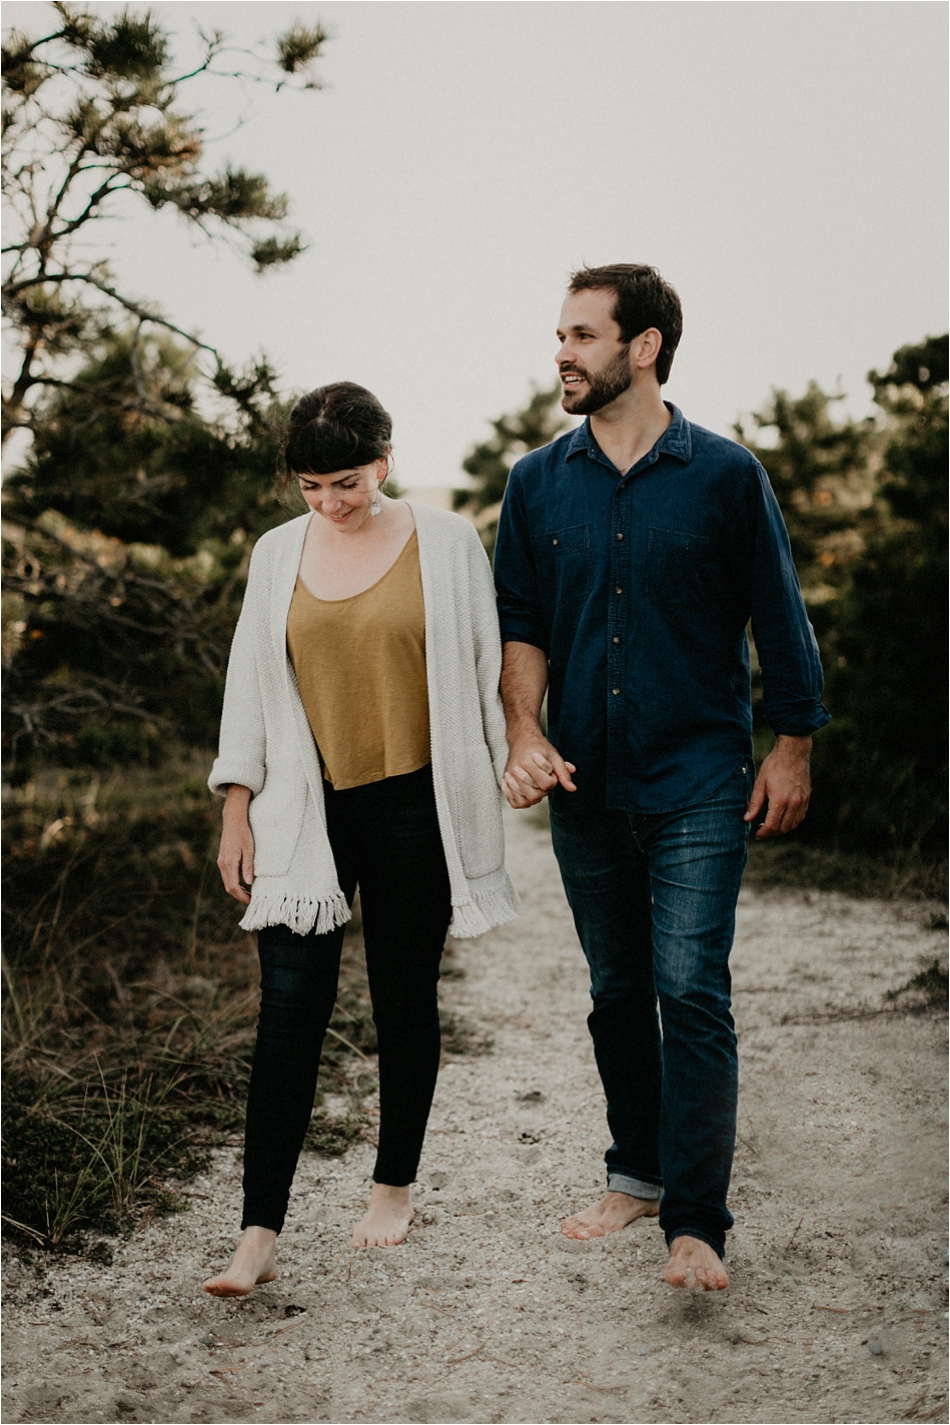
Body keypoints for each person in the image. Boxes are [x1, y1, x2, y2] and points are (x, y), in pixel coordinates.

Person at [494, 264, 828, 1291]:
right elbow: (521, 628)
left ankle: (695, 1222)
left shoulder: (724, 474)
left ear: (642, 347)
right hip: (583, 786)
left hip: (697, 775)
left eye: (583, 335)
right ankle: (632, 1173)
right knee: (614, 990)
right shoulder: (535, 483)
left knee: (688, 989)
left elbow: (777, 613)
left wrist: (791, 744)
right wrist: (520, 730)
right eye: (559, 334)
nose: (562, 351)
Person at [203, 382, 517, 1298]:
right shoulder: (276, 554)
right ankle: (258, 1232)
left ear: (385, 459)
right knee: (288, 1013)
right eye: (310, 486)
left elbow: (485, 663)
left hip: (412, 806)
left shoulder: (448, 541)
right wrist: (235, 805)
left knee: (401, 1001)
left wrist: (516, 757)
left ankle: (393, 1184)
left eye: (346, 481)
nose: (331, 503)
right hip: (305, 809)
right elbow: (251, 688)